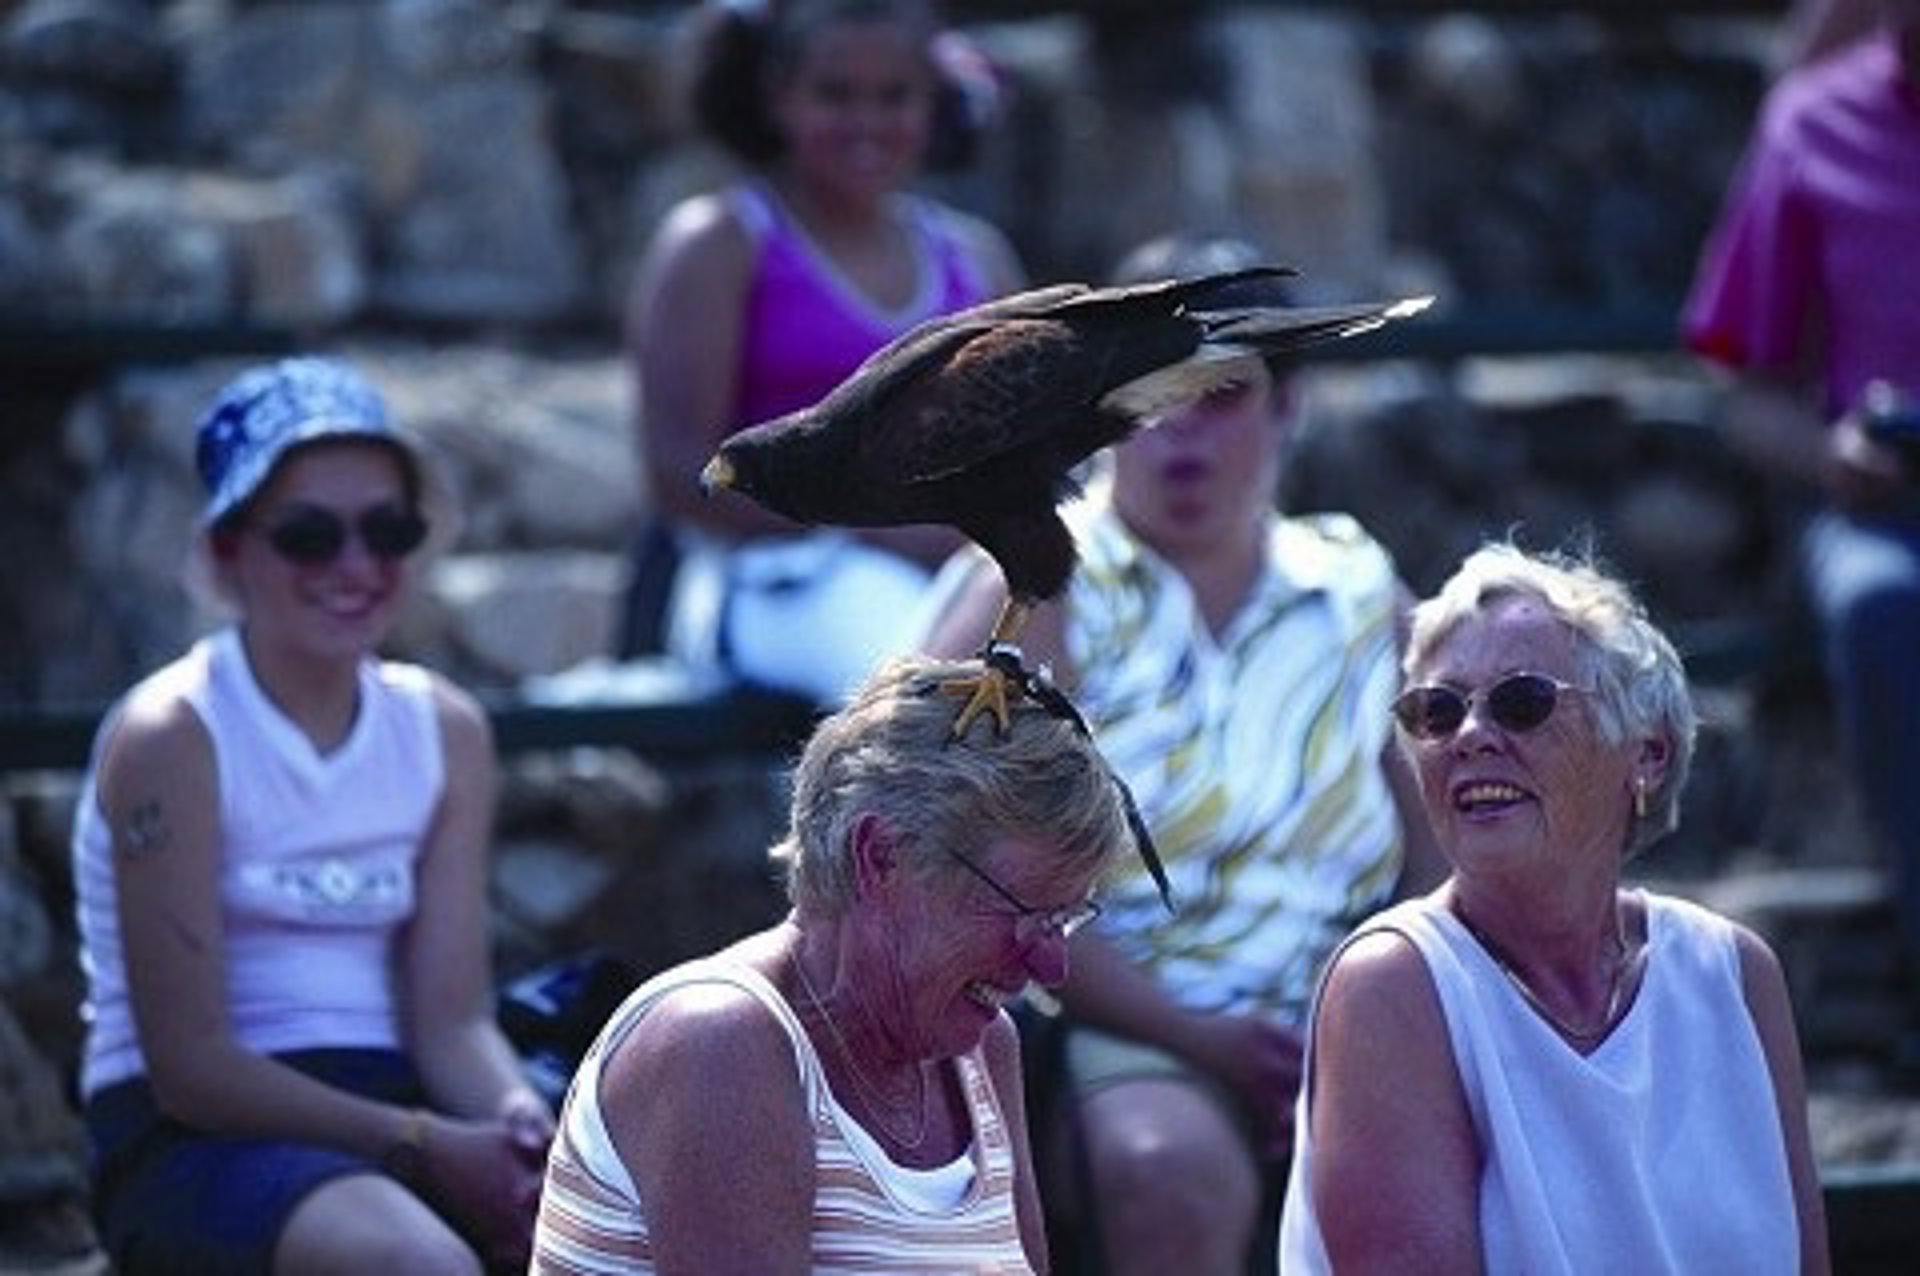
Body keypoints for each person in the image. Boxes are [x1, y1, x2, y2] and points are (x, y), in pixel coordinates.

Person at [920, 235, 1438, 1276]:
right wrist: (1205, 1041)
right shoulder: (1034, 586)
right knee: (1168, 1170)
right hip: (1121, 1023)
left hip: (1348, 1018)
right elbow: (950, 864)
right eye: (1146, 399)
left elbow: (1444, 849)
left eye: (1220, 395)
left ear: (1288, 408)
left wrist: (1369, 1031)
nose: (1178, 431)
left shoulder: (1360, 590)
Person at [71, 357, 552, 1274]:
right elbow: (190, 1068)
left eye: (389, 529)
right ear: (226, 552)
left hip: (398, 1108)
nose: (357, 565)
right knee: (423, 1266)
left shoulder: (447, 729)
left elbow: (452, 1019)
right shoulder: (174, 734)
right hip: (198, 1135)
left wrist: (518, 1123)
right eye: (308, 536)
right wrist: (423, 1144)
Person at [1278, 543, 1829, 1274]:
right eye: (1437, 711)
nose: (1469, 736)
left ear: (1648, 754)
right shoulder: (1393, 986)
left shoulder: (1735, 974)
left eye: (1522, 702)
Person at [530, 653, 1139, 1273]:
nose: (1050, 964)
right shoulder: (718, 1042)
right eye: (1024, 912)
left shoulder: (985, 1050)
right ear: (879, 857)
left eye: (1063, 919)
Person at [620, 0, 1025, 705]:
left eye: (893, 97)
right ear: (780, 98)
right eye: (836, 95)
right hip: (772, 578)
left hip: (957, 567)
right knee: (924, 695)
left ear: (931, 104)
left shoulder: (977, 258)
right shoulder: (720, 243)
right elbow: (679, 472)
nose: (866, 122)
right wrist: (876, 526)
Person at [1682, 2, 1920, 1058]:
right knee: (1881, 606)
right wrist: (1835, 458)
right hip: (1884, 516)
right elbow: (1744, 393)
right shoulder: (1812, 122)